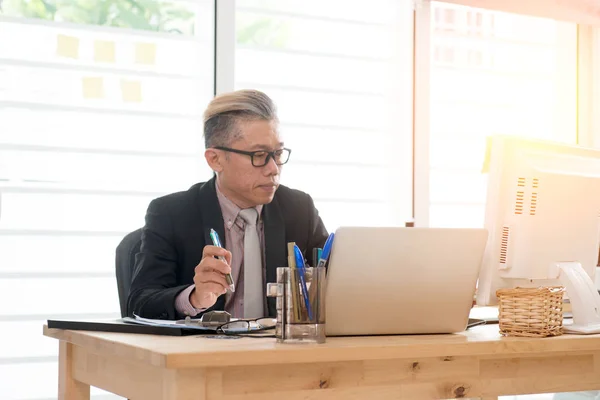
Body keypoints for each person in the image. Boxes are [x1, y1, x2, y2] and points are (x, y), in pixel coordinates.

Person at [127, 89, 329, 320]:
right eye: (260, 154)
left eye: (278, 153)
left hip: (279, 351)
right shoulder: (172, 213)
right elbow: (139, 302)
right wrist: (194, 298)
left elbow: (337, 282)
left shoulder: (298, 208)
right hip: (207, 353)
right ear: (215, 159)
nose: (273, 168)